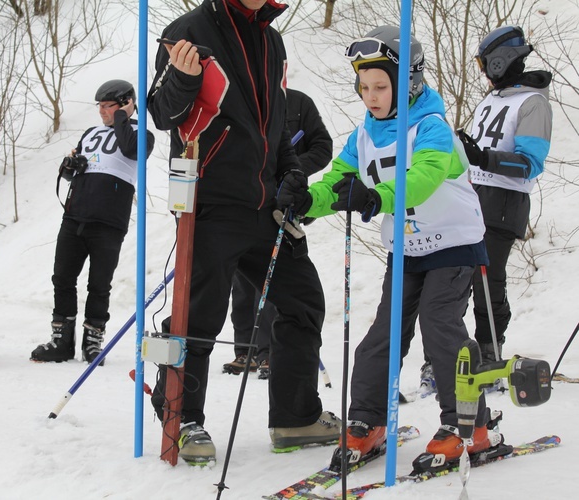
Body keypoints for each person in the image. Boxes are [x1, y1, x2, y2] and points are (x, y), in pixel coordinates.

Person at [276, 26, 505, 473]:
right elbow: (339, 180)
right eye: (364, 87)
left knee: (441, 327)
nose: (371, 96)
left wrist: (376, 196)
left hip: (454, 245)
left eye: (381, 86)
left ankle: (470, 427)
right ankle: (367, 421)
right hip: (406, 250)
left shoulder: (432, 127)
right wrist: (309, 201)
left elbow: (423, 177)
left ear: (409, 83)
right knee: (382, 336)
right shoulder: (364, 135)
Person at [147, 0, 340, 465]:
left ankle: (295, 418)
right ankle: (183, 416)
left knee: (303, 301)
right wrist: (184, 78)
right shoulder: (188, 29)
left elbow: (273, 124)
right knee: (201, 315)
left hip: (268, 204)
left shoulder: (271, 38)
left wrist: (291, 173)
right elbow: (161, 114)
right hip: (211, 202)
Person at [30, 80, 155, 364]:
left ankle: (93, 339)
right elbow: (71, 171)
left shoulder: (141, 134)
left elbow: (129, 150)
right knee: (62, 277)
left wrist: (122, 116)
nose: (101, 111)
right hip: (76, 214)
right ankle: (61, 340)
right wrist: (69, 166)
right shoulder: (90, 133)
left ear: (126, 103)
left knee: (99, 284)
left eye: (108, 106)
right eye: (99, 106)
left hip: (109, 221)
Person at [223, 88, 333, 380]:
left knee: (276, 277)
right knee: (242, 280)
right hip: (246, 200)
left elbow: (322, 146)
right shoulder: (243, 96)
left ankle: (270, 352)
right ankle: (245, 348)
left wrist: (293, 170)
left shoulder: (299, 102)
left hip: (283, 202)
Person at [458, 26, 552, 364]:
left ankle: (489, 347)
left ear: (499, 62)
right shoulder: (492, 100)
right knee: (458, 274)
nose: (483, 73)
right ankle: (455, 349)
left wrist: (485, 159)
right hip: (474, 195)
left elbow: (530, 163)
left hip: (504, 201)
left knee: (487, 278)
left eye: (485, 65)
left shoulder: (533, 103)